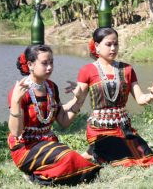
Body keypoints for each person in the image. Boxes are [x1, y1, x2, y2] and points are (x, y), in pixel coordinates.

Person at [66, 27, 153, 167]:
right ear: (97, 46)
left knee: (145, 155)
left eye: (116, 44)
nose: (113, 48)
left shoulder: (127, 69)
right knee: (125, 159)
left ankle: (93, 152)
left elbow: (140, 99)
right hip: (99, 129)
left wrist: (151, 95)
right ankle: (92, 152)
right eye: (108, 44)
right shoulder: (87, 70)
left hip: (124, 128)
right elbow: (80, 96)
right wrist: (76, 92)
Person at [8, 44, 101, 186]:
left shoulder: (51, 87)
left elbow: (64, 122)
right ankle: (37, 177)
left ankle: (40, 174)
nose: (50, 67)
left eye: (51, 62)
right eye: (44, 63)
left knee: (72, 159)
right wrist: (15, 102)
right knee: (69, 157)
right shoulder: (21, 91)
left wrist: (79, 99)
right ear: (30, 65)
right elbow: (16, 132)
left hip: (49, 144)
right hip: (25, 149)